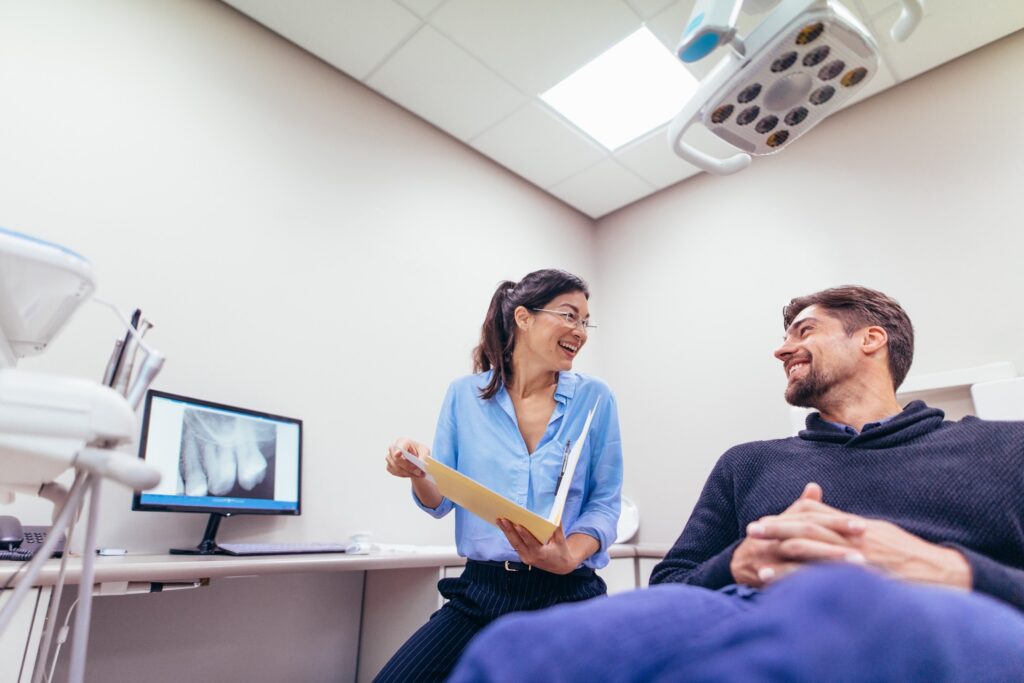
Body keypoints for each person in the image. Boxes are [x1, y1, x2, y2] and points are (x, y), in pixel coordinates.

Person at [449, 285, 1024, 682]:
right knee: (521, 650)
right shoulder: (748, 463)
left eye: (805, 330)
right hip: (742, 608)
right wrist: (739, 561)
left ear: (871, 339)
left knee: (844, 603)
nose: (781, 347)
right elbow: (671, 582)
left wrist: (954, 569)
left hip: (933, 609)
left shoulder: (1003, 447)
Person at [375, 268, 623, 682]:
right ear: (523, 318)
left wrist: (568, 557)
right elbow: (440, 500)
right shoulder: (463, 396)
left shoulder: (595, 398)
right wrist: (417, 469)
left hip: (569, 591)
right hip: (482, 592)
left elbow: (603, 501)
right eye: (568, 315)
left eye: (584, 321)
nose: (580, 331)